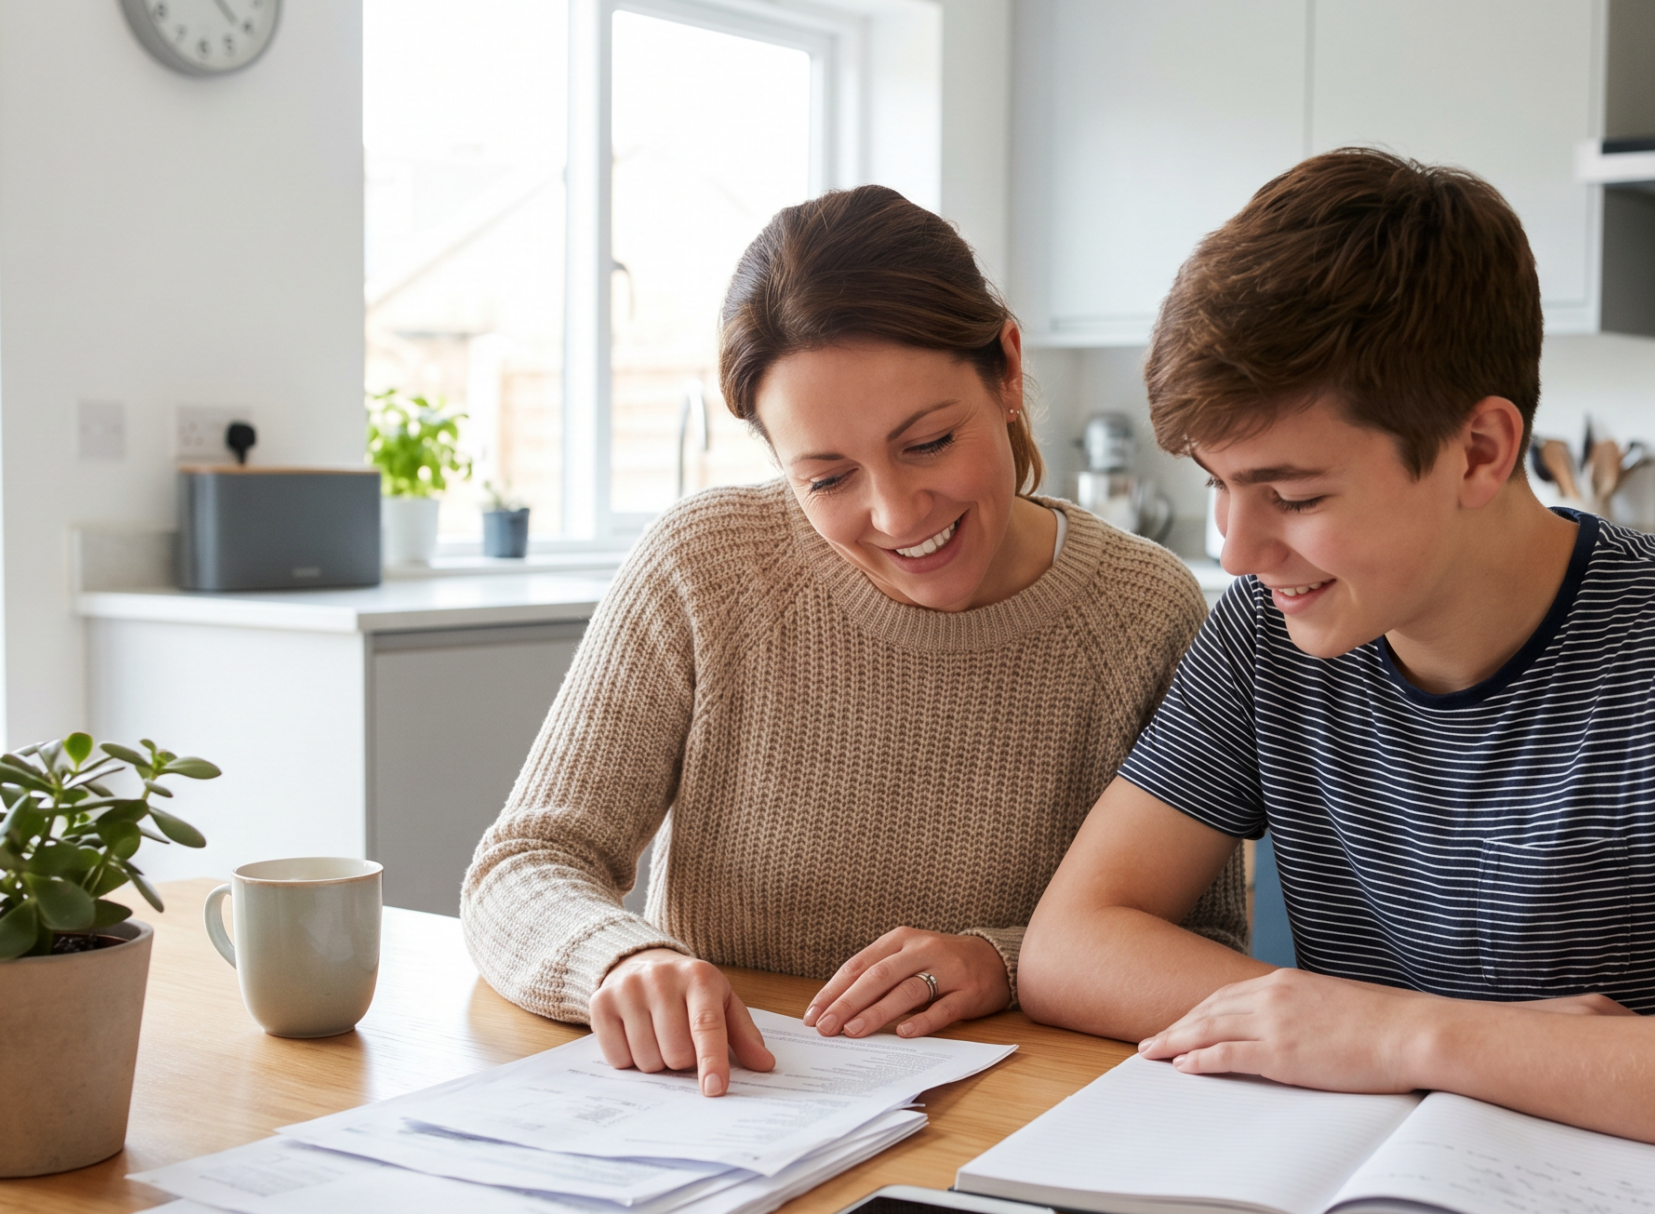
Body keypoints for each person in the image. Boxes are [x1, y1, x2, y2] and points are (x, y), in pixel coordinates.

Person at [1019, 150, 1655, 1186]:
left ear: (1478, 450)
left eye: (1291, 497)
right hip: (1384, 1195)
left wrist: (1406, 1036)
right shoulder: (1263, 632)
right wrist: (1401, 1032)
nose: (1236, 550)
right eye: (1217, 486)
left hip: (1654, 1210)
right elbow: (1071, 944)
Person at [463, 185, 1246, 1096]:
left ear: (1006, 368)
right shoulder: (704, 567)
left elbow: (1209, 947)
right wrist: (618, 958)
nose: (895, 513)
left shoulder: (1145, 610)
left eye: (928, 442)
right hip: (723, 1109)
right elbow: (524, 865)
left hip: (1005, 1118)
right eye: (829, 477)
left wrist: (1005, 961)